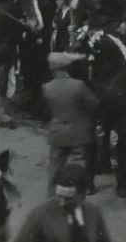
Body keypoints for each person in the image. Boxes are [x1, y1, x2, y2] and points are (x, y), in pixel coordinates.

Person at [5, 161, 118, 242]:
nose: (62, 202)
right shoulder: (40, 214)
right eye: (59, 196)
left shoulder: (93, 213)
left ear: (82, 195)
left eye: (68, 198)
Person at [42, 53, 99, 195]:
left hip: (57, 135)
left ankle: (52, 199)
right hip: (79, 134)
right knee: (77, 169)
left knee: (54, 168)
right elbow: (94, 104)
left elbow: (44, 110)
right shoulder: (78, 85)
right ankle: (76, 198)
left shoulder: (47, 88)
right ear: (68, 67)